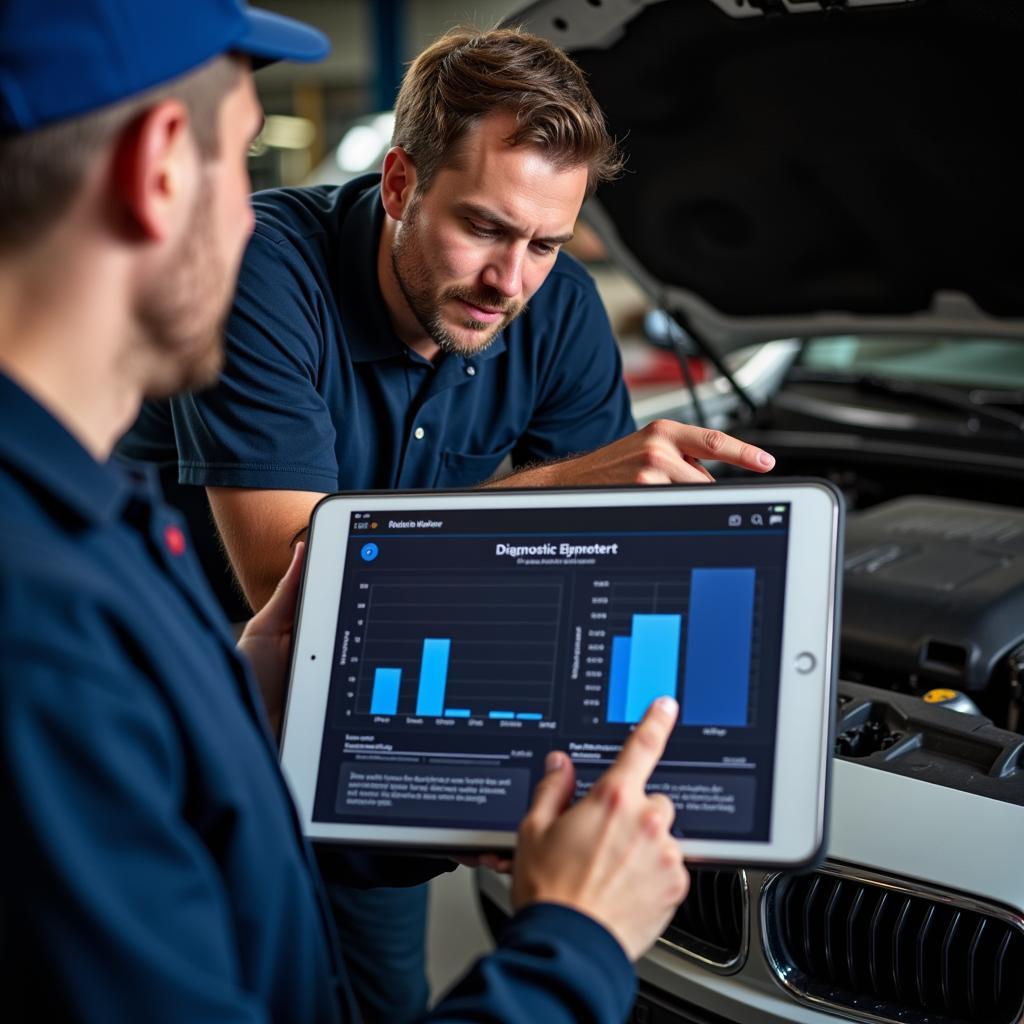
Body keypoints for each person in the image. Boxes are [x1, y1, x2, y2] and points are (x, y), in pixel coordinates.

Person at [0, 3, 692, 1022]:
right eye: (241, 162)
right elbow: (296, 567)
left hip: (263, 727)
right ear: (158, 170)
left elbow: (583, 576)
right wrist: (574, 944)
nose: (513, 280)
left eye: (544, 244)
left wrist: (243, 696)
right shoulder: (56, 627)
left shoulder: (87, 538)